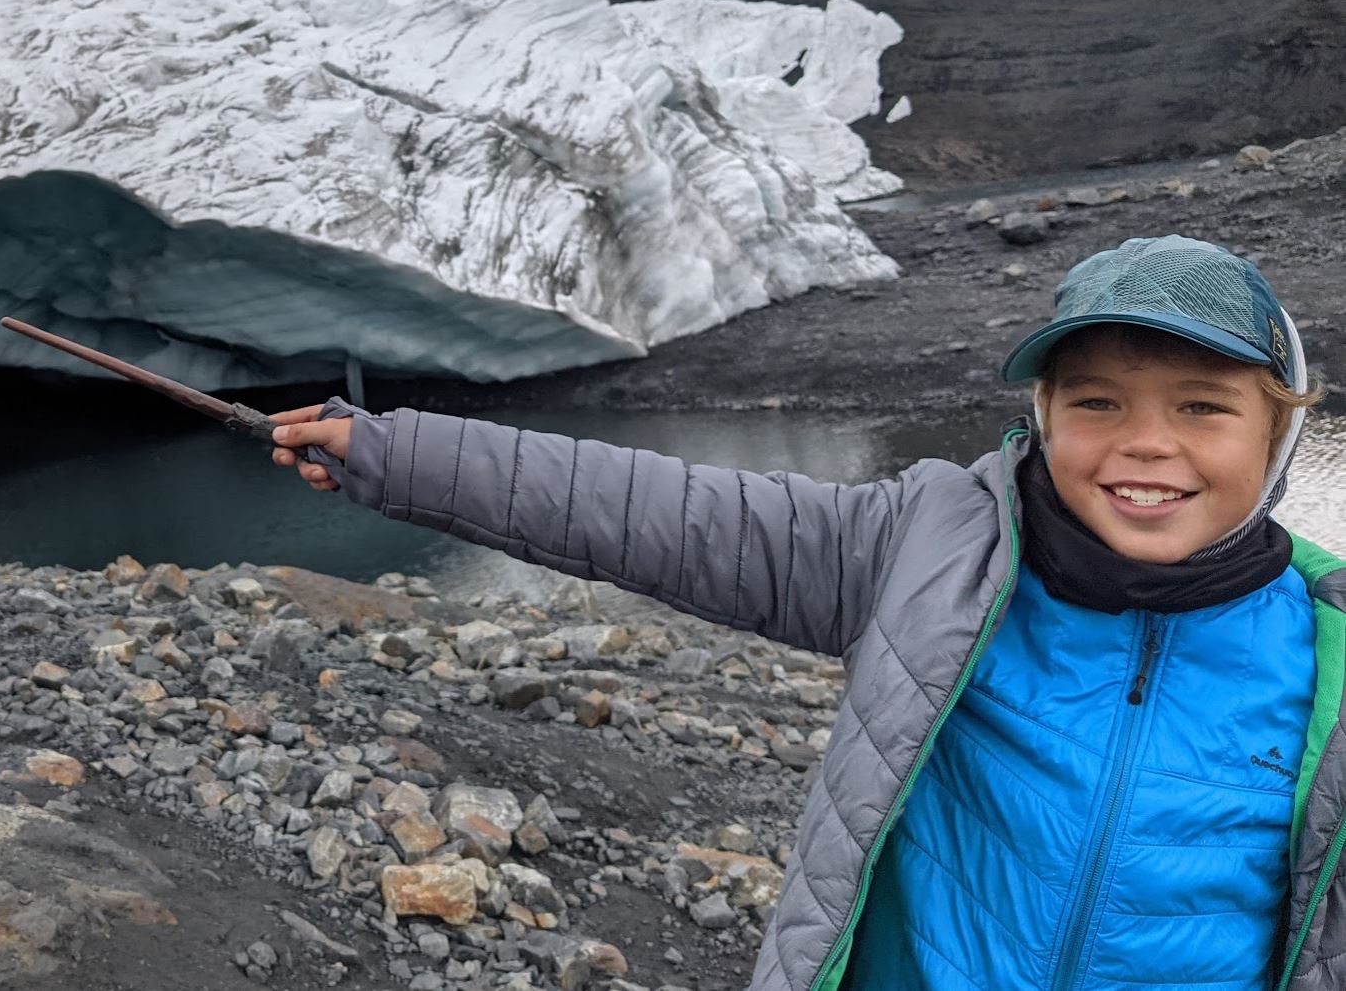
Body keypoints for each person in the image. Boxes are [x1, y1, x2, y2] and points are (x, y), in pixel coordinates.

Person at [266, 235, 1344, 991]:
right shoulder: (928, 550)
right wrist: (399, 455)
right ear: (1040, 417)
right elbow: (663, 515)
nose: (1144, 443)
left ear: (1278, 437)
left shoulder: (1328, 656)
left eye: (1202, 408)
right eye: (1095, 402)